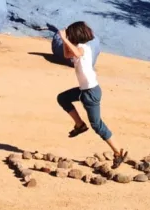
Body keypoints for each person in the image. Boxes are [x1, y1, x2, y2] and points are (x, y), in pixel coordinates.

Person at [51, 21, 128, 169]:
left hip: (91, 92)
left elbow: (76, 52)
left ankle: (118, 152)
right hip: (85, 90)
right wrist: (65, 41)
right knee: (62, 98)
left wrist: (64, 38)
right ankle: (79, 125)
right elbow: (68, 54)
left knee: (97, 125)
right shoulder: (77, 48)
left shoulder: (83, 48)